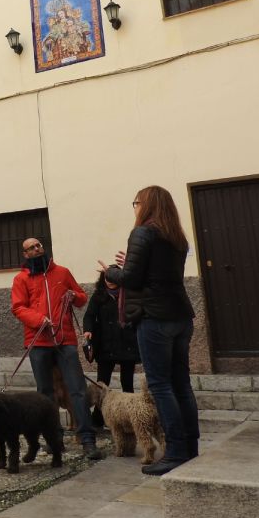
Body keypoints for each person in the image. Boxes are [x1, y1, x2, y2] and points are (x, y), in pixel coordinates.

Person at [101, 185, 199, 476]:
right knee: (181, 383)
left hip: (154, 318)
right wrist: (128, 265)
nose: (135, 208)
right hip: (181, 316)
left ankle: (176, 451)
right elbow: (156, 273)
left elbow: (130, 278)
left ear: (146, 205)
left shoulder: (142, 232)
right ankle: (190, 446)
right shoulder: (176, 237)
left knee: (160, 385)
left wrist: (110, 271)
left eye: (136, 203)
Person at [11, 237, 103, 461]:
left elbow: (82, 298)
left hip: (65, 339)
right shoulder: (20, 278)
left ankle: (88, 440)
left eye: (38, 245)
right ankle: (55, 440)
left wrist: (74, 296)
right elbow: (18, 307)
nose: (36, 249)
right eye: (31, 248)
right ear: (25, 254)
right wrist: (39, 319)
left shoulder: (62, 272)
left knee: (78, 389)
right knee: (45, 394)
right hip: (38, 341)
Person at [83, 265, 139, 428]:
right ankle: (98, 417)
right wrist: (88, 331)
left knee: (127, 382)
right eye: (107, 278)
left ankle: (130, 415)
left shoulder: (129, 294)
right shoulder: (99, 295)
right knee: (102, 383)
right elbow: (89, 316)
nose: (109, 282)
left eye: (113, 278)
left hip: (127, 342)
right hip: (106, 344)